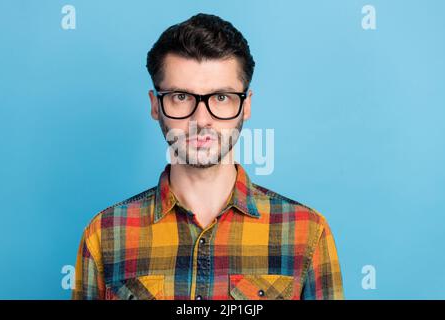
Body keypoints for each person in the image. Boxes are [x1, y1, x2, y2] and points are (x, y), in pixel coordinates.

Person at [72, 13, 344, 300]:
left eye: (221, 97)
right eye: (180, 97)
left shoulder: (306, 232)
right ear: (155, 105)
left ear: (246, 106)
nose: (201, 119)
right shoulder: (105, 234)